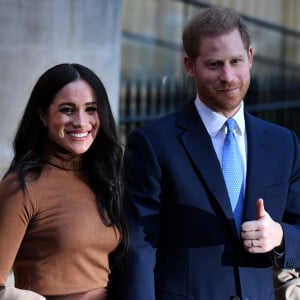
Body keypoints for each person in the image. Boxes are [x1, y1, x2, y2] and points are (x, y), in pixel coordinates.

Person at [112, 6, 300, 300]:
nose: (228, 76)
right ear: (190, 66)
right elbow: (138, 248)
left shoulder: (283, 143)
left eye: (236, 61)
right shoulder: (153, 143)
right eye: (214, 64)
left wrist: (280, 236)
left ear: (250, 58)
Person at [0, 63, 128, 300]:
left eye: (91, 109)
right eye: (67, 110)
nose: (81, 121)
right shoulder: (22, 186)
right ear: (43, 116)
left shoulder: (105, 177)